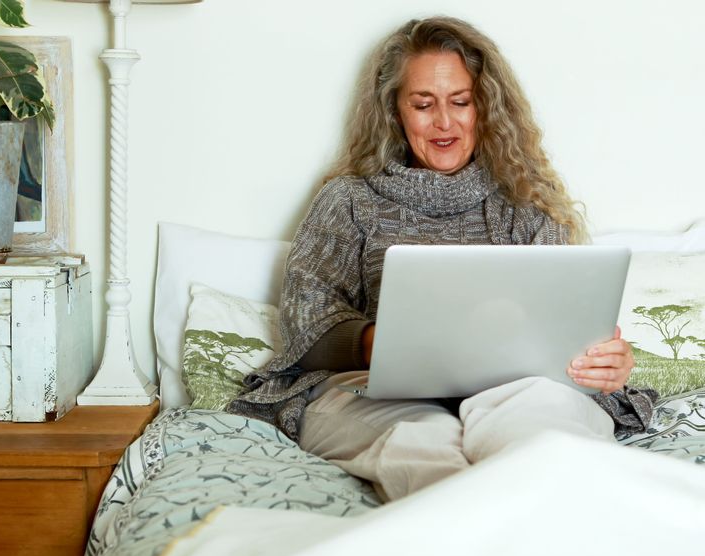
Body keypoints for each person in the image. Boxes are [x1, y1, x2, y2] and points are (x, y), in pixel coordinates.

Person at [228, 16, 656, 502]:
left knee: (544, 437)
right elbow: (306, 313)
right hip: (376, 395)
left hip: (517, 393)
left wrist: (599, 363)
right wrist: (374, 342)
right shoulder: (348, 199)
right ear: (395, 111)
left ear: (486, 107)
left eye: (460, 102)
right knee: (426, 450)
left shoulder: (526, 202)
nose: (444, 122)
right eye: (423, 104)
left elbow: (560, 327)